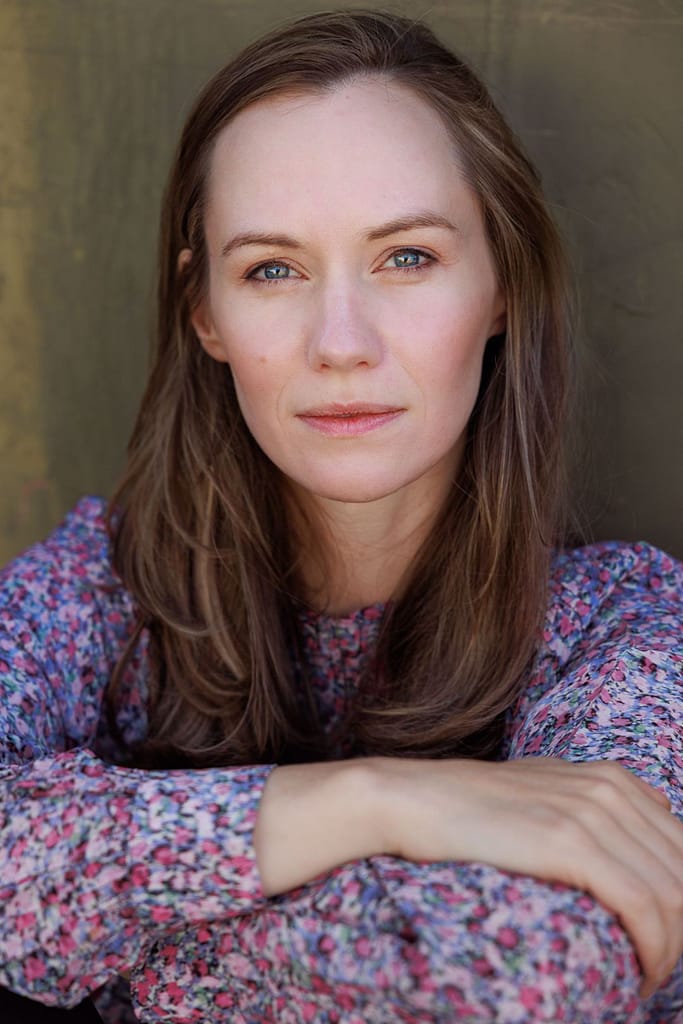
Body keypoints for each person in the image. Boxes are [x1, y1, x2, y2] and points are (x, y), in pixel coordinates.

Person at [1, 9, 682, 1023]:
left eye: (405, 256)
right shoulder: (106, 585)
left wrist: (98, 949)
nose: (340, 341)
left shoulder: (622, 627)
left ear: (499, 283)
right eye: (271, 268)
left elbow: (522, 973)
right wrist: (374, 798)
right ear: (206, 314)